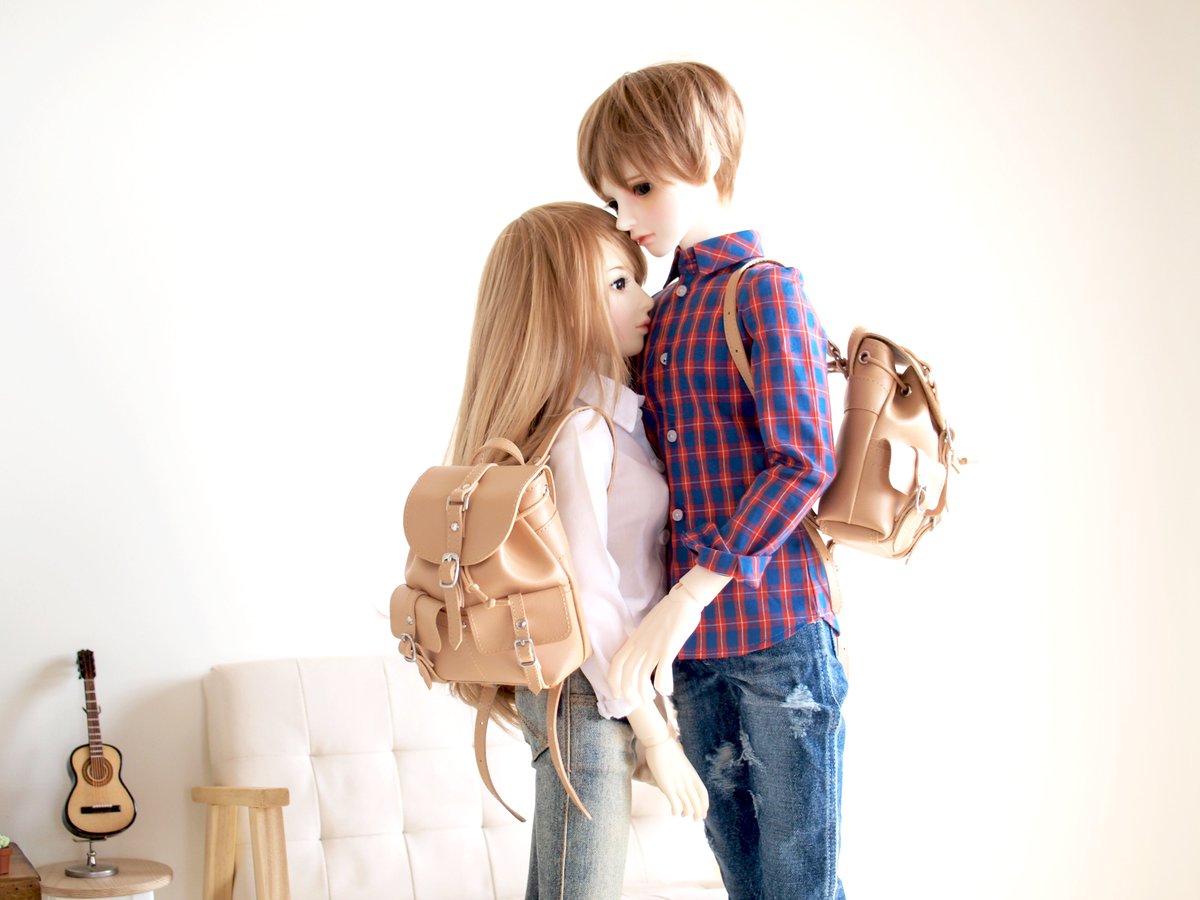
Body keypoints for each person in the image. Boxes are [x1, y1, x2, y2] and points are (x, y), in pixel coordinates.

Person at [577, 62, 849, 899]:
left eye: (641, 187)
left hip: (778, 632)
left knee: (800, 885)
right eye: (613, 197)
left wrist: (688, 595)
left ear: (704, 158)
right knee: (742, 880)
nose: (628, 217)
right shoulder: (657, 313)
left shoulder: (766, 291)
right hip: (691, 656)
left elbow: (803, 460)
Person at [448, 201, 709, 900]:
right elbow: (587, 593)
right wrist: (652, 732)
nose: (647, 300)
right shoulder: (582, 432)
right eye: (619, 284)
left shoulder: (617, 419)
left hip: (598, 689)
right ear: (560, 312)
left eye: (636, 279)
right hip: (588, 690)